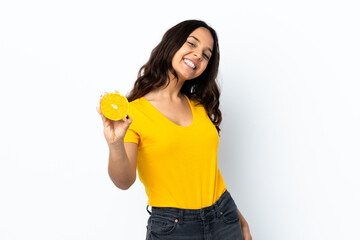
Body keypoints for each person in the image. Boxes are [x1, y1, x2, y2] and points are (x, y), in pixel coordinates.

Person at [97, 20, 252, 240]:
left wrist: (241, 221)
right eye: (192, 44)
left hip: (224, 218)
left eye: (206, 55)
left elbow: (208, 173)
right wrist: (115, 144)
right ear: (172, 44)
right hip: (173, 229)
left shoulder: (199, 107)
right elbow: (124, 181)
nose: (198, 55)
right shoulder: (133, 113)